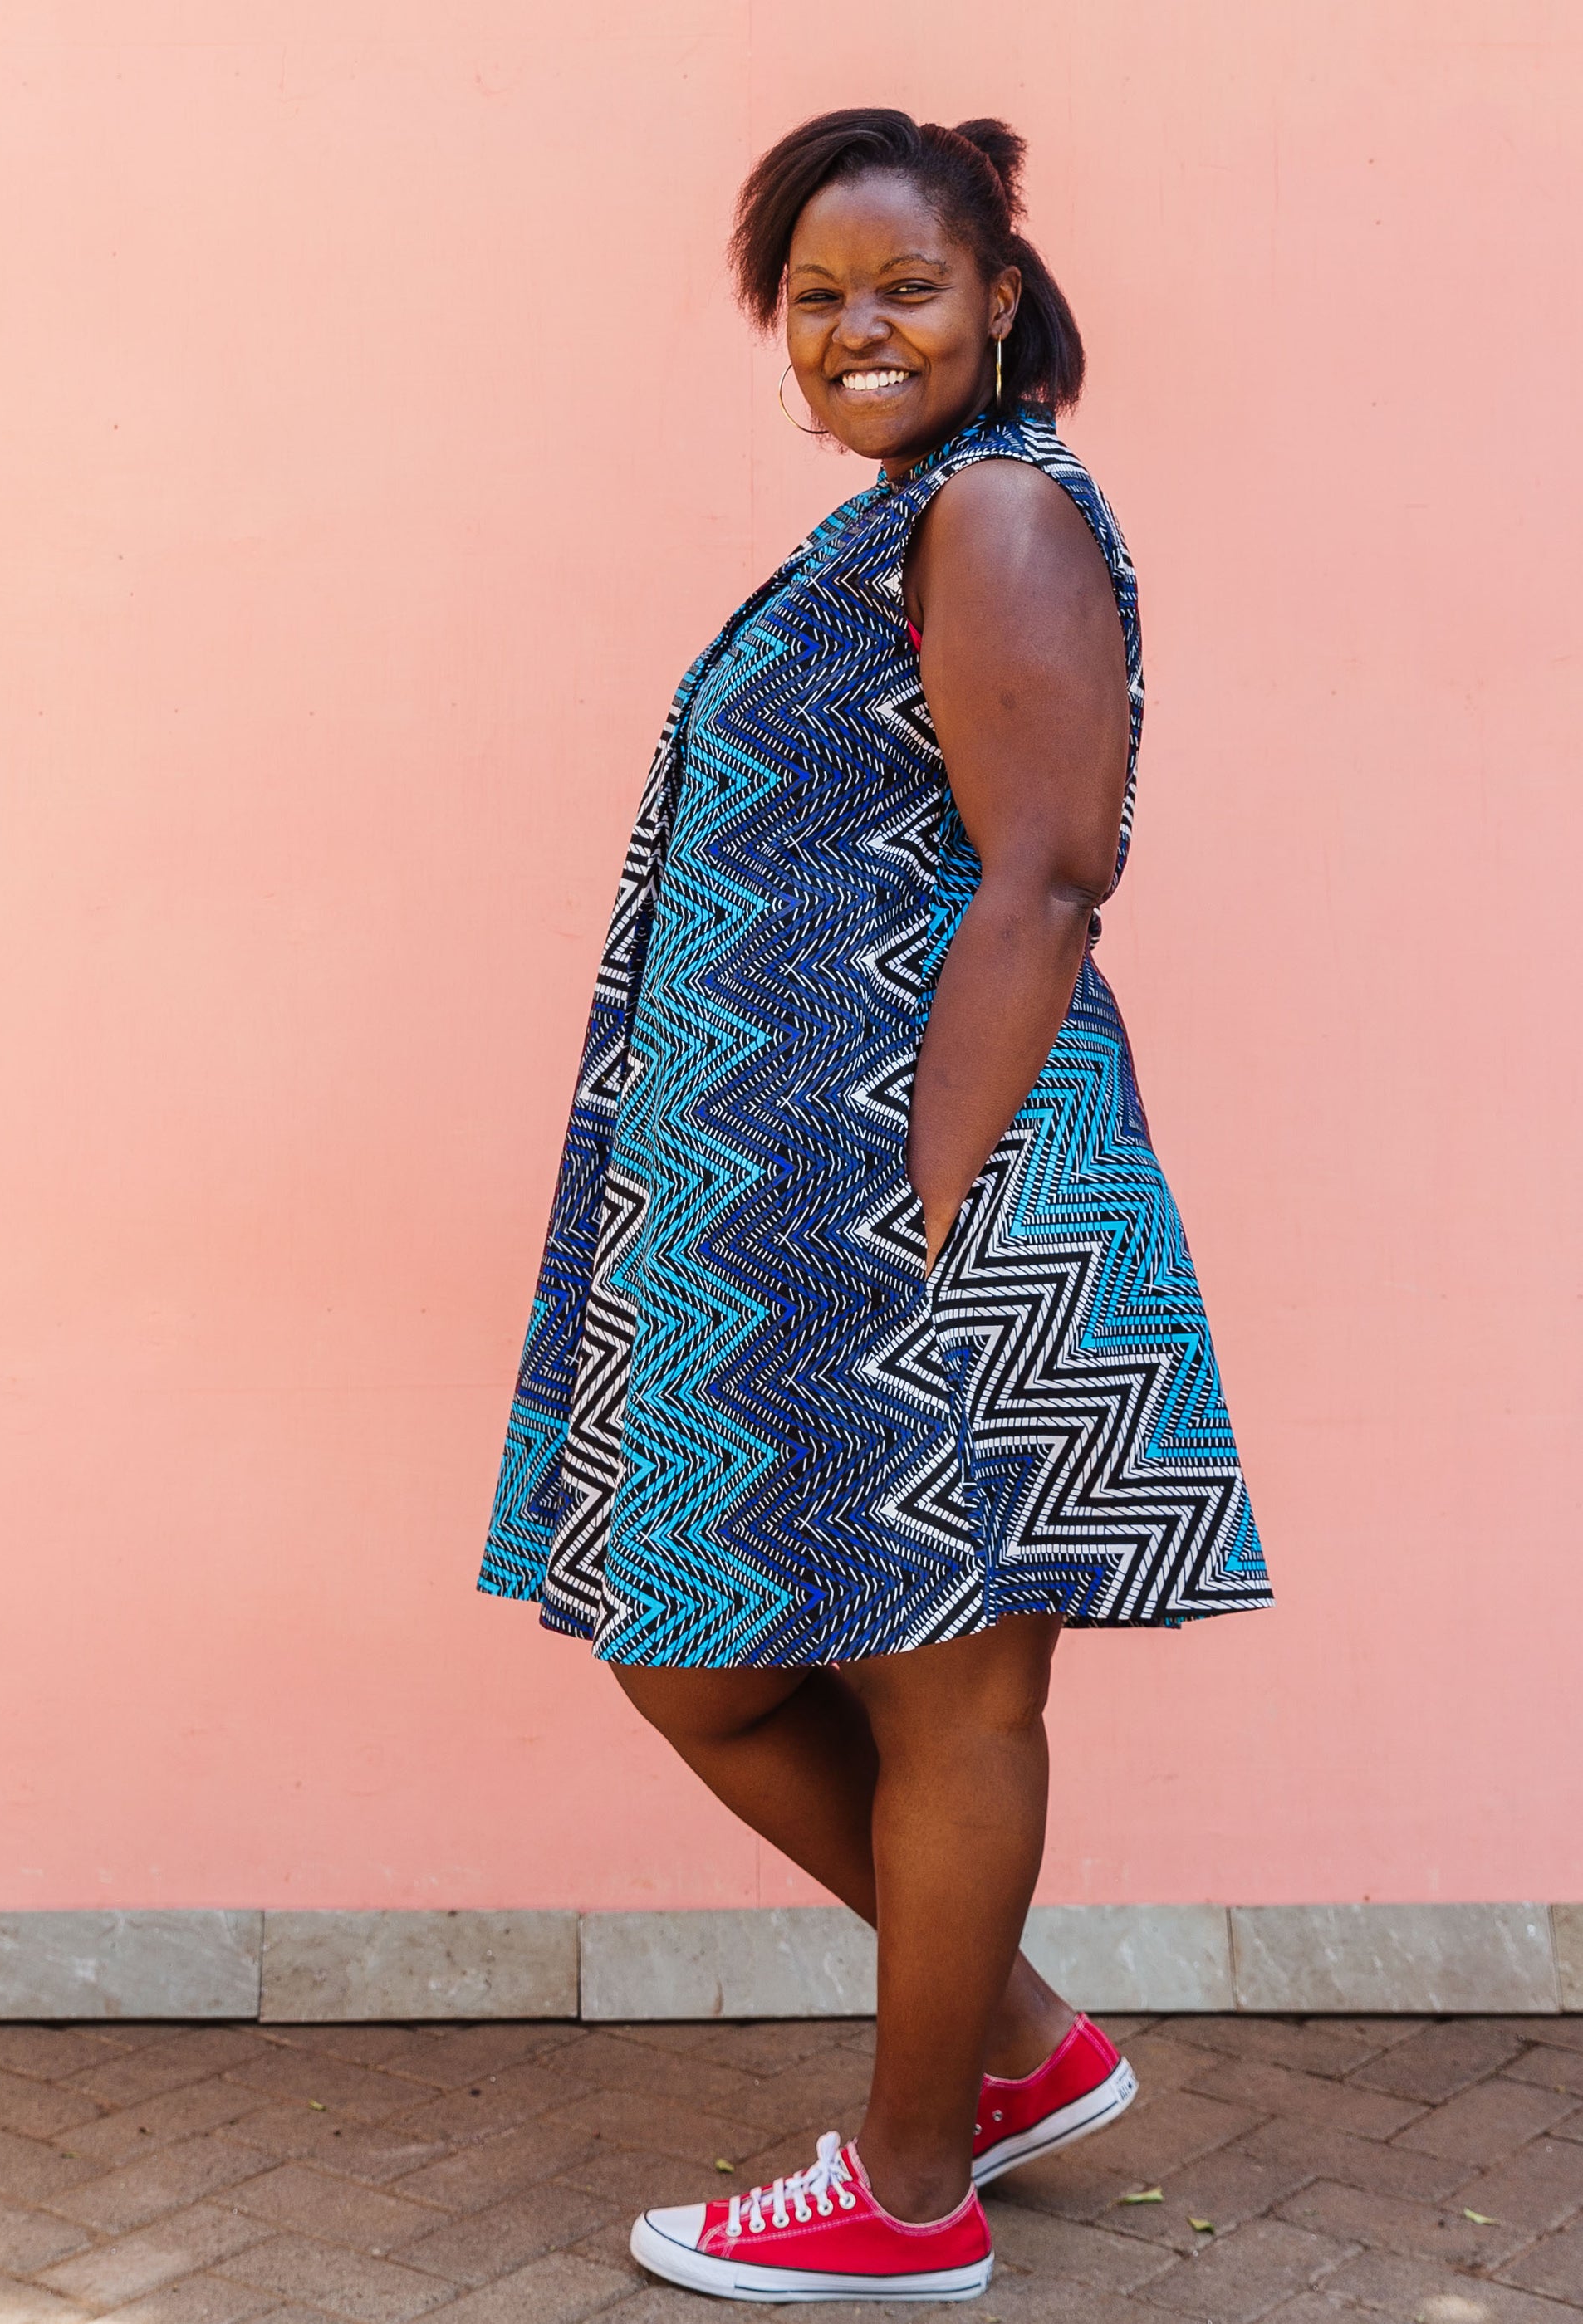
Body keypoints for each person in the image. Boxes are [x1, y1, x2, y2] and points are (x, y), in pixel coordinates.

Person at [479, 106, 1272, 2304]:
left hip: (927, 1191)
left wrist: (921, 1209)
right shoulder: (912, 521)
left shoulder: (1002, 506)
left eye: (903, 287)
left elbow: (1048, 874)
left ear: (996, 299)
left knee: (947, 1697)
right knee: (701, 1661)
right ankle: (1007, 2047)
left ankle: (908, 2205)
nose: (857, 331)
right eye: (815, 298)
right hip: (807, 1198)